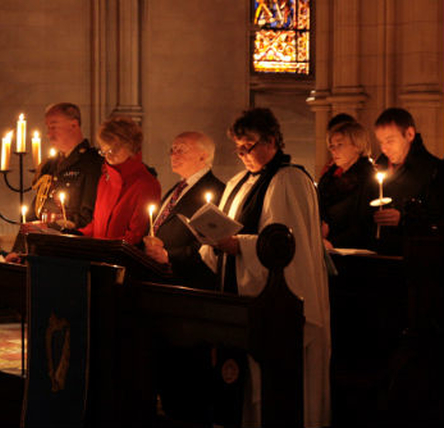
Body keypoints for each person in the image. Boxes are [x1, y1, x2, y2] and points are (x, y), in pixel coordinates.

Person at [200, 108, 331, 427]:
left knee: (266, 388)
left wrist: (239, 245)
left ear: (272, 141)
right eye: (239, 148)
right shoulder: (238, 182)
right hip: (238, 297)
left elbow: (288, 247)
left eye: (249, 146)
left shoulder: (291, 180)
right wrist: (211, 241)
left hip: (273, 303)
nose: (243, 154)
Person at [144, 131, 225, 289]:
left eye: (181, 149)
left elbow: (210, 242)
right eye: (172, 150)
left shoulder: (216, 190)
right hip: (157, 274)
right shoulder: (179, 187)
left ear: (203, 156)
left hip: (186, 279)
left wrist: (169, 256)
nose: (174, 155)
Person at [77, 116, 161, 245]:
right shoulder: (105, 178)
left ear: (131, 147)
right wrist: (79, 234)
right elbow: (98, 224)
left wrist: (103, 248)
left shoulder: (146, 184)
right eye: (104, 151)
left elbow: (136, 235)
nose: (109, 155)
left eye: (114, 150)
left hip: (121, 258)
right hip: (99, 256)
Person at [373, 107, 444, 255]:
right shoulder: (378, 169)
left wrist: (404, 218)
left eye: (390, 141)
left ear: (409, 134)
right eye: (381, 142)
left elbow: (438, 219)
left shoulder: (433, 170)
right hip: (380, 255)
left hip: (417, 257)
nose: (384, 149)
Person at [29, 102, 102, 229]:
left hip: (69, 241)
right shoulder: (50, 164)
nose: (48, 134)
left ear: (73, 125)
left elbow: (88, 214)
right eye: (48, 128)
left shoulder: (92, 162)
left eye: (53, 127)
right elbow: (37, 207)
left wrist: (54, 225)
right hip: (42, 239)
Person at [318, 121, 377, 249]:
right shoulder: (328, 178)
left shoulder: (368, 179)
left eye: (339, 144)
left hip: (352, 250)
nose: (333, 150)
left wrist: (333, 243)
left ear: (357, 146)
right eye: (331, 146)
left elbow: (365, 223)